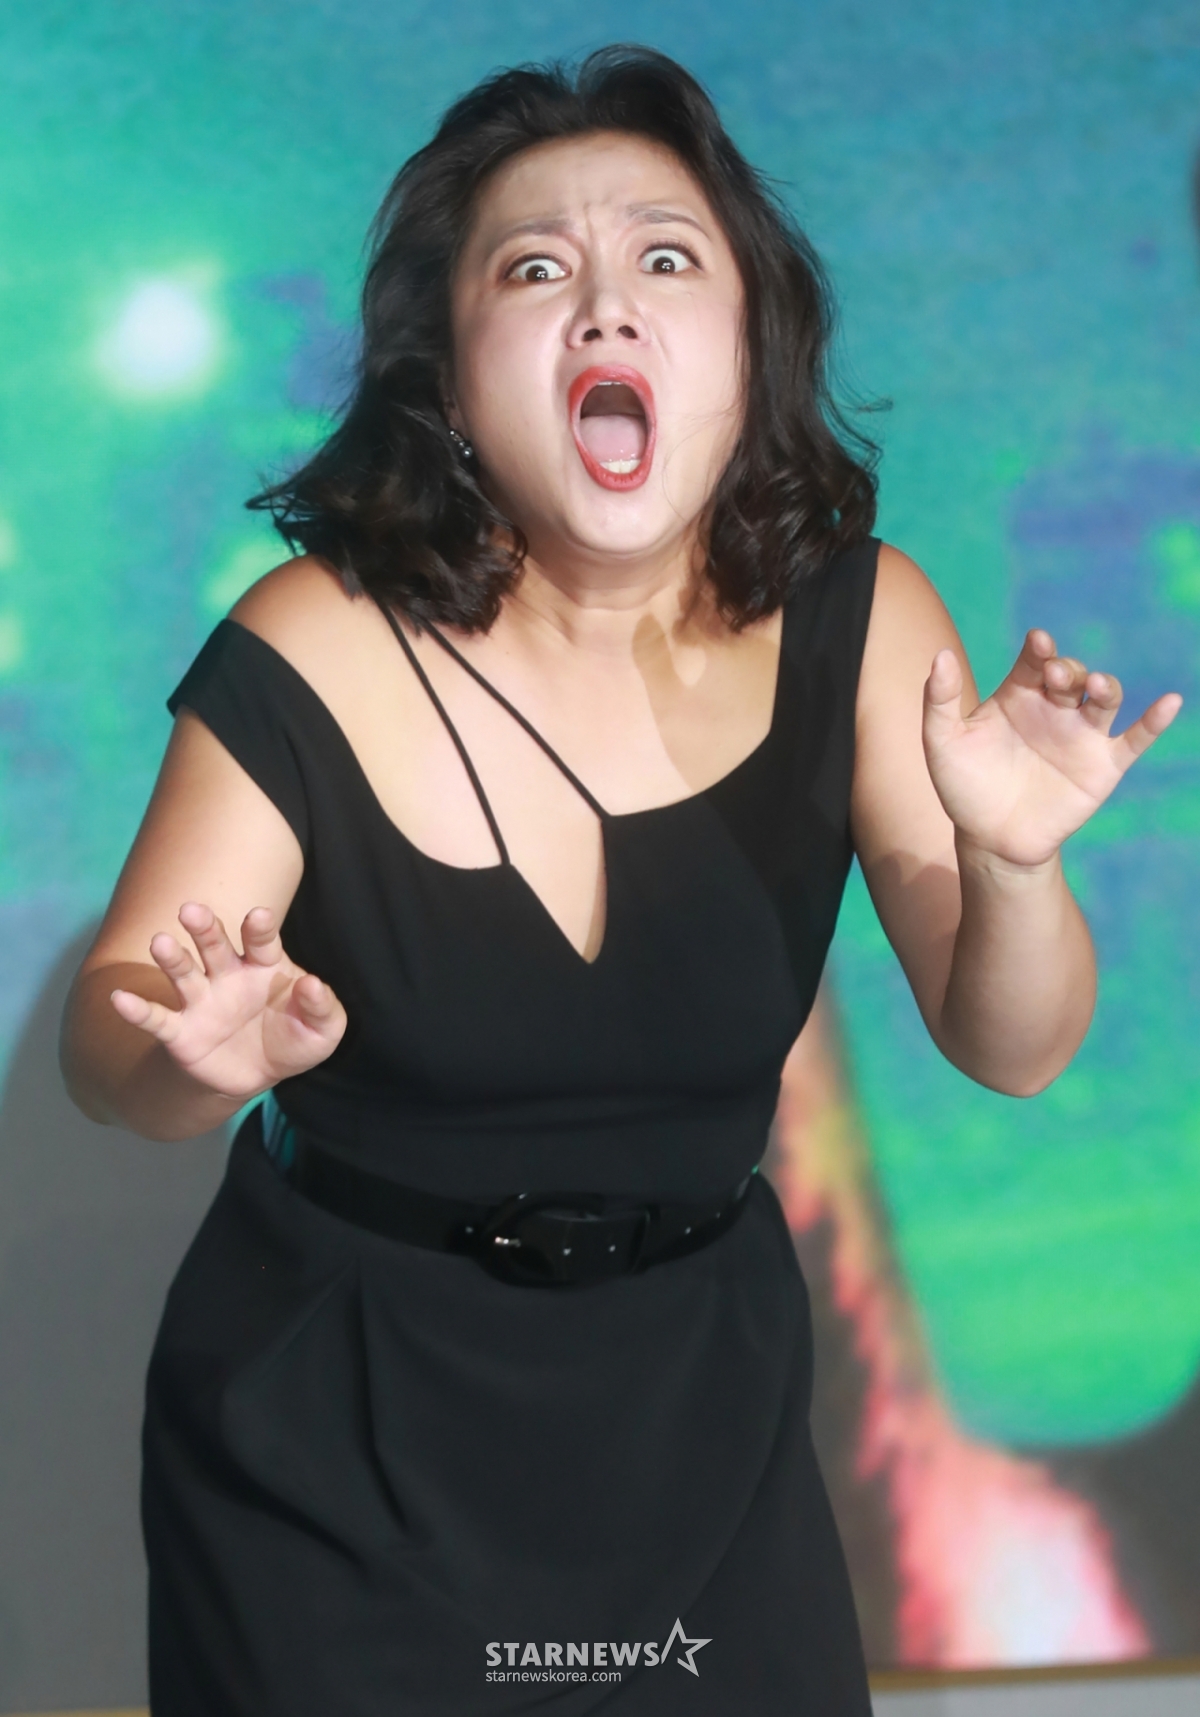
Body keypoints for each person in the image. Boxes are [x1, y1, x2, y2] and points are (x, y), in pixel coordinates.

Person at [59, 45, 1180, 1716]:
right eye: (534, 270)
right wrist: (186, 1056)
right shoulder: (318, 635)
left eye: (666, 258)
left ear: (751, 344)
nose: (605, 306)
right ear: (448, 376)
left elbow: (1014, 1046)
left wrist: (1014, 863)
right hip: (342, 1447)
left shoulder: (866, 622)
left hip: (697, 1429)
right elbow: (109, 1048)